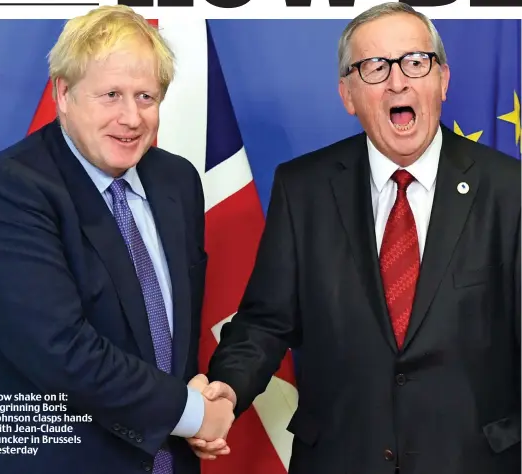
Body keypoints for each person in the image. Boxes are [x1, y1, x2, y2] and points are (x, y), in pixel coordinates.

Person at [192, 3, 521, 473]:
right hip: (339, 457)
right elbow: (265, 322)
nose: (397, 81)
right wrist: (228, 388)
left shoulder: (511, 191)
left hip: (473, 460)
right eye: (374, 67)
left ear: (442, 80)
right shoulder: (303, 187)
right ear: (347, 94)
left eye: (415, 61)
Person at [0, 6, 234, 474]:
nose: (131, 117)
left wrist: (190, 413)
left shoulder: (176, 180)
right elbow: (59, 351)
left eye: (146, 96)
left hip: (170, 460)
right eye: (111, 95)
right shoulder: (9, 186)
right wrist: (193, 413)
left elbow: (172, 336)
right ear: (63, 92)